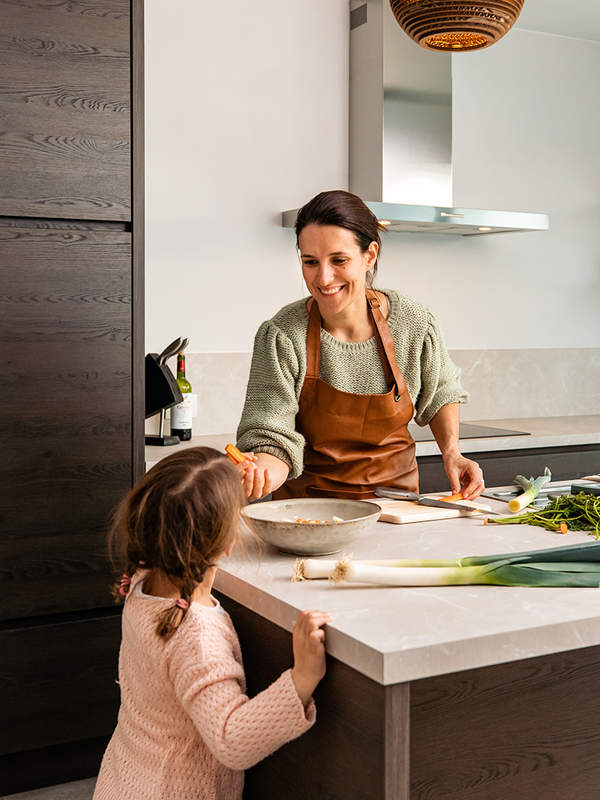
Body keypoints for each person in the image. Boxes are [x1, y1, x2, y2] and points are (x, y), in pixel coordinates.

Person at [94, 447, 329, 800]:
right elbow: (232, 740)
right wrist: (302, 679)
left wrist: (221, 481)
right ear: (227, 543)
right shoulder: (197, 635)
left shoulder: (142, 583)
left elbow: (184, 502)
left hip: (124, 781)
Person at [236, 189, 484, 501]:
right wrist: (262, 473)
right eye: (310, 262)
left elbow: (441, 392)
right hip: (308, 514)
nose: (324, 278)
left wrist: (453, 453)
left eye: (339, 260)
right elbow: (273, 438)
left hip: (396, 508)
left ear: (369, 256)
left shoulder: (414, 321)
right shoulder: (283, 335)